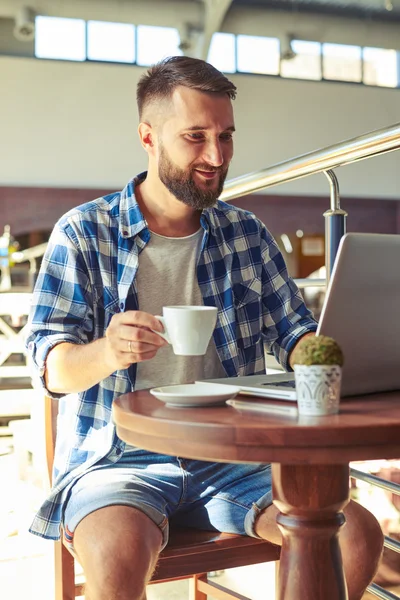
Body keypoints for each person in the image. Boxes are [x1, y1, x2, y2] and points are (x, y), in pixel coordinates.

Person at [26, 56, 383, 600]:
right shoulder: (83, 232)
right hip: (118, 458)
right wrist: (106, 351)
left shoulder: (245, 233)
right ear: (148, 136)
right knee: (116, 557)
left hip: (233, 455)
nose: (216, 157)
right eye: (195, 137)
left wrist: (323, 347)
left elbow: (293, 333)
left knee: (356, 536)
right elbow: (49, 363)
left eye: (226, 136)